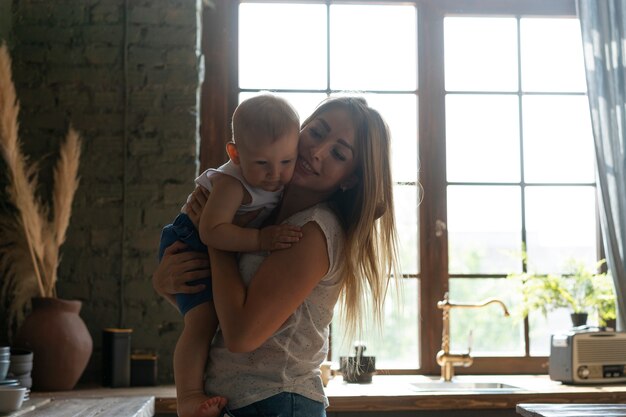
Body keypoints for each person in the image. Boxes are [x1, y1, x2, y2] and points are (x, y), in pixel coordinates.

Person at [153, 96, 401, 417]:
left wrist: (214, 236)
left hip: (279, 403)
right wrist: (167, 286)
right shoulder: (266, 216)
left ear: (350, 178)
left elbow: (241, 335)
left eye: (338, 154)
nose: (316, 151)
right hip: (249, 403)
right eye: (316, 133)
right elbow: (223, 318)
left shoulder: (312, 230)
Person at [157, 94, 303, 417]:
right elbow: (211, 231)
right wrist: (261, 238)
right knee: (202, 322)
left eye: (287, 162)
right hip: (190, 240)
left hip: (218, 243)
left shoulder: (277, 179)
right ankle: (188, 397)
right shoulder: (231, 183)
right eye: (263, 163)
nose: (275, 174)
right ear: (235, 155)